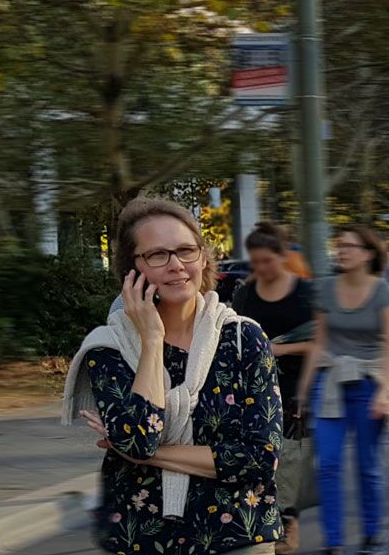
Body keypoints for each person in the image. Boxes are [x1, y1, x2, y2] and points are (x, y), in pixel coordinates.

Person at [63, 198, 281, 555]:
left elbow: (259, 460)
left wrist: (141, 453)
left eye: (185, 250)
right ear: (131, 269)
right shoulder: (108, 348)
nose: (177, 265)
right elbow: (139, 441)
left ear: (203, 257)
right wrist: (151, 340)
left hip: (237, 534)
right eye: (157, 255)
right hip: (140, 536)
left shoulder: (244, 339)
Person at [297, 226, 389, 555]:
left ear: (368, 253)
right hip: (329, 385)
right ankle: (333, 541)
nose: (341, 251)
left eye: (349, 246)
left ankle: (372, 535)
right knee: (327, 464)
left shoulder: (384, 293)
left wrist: (384, 392)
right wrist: (303, 391)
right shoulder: (325, 289)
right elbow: (319, 343)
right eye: (338, 245)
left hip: (369, 385)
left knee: (367, 465)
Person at [232, 222, 320, 552]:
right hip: (255, 386)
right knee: (258, 456)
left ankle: (288, 524)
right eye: (255, 262)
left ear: (282, 256)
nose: (260, 269)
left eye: (266, 261)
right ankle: (262, 519)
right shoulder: (245, 293)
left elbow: (319, 343)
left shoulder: (304, 293)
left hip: (295, 384)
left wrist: (281, 351)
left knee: (289, 460)